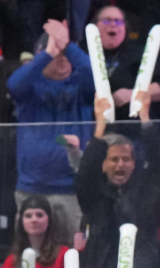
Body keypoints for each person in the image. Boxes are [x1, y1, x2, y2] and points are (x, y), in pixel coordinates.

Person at [77, 93, 160, 268]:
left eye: (126, 159)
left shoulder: (148, 197)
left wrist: (146, 119)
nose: (120, 165)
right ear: (104, 164)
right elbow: (84, 178)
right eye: (114, 159)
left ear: (134, 163)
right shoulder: (96, 200)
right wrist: (99, 127)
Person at [7, 19, 95, 246]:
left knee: (76, 254)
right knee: (30, 254)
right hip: (31, 189)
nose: (62, 60)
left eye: (66, 56)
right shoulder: (30, 87)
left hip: (72, 191)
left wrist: (69, 46)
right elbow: (14, 84)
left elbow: (97, 77)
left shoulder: (82, 87)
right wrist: (47, 53)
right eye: (57, 55)